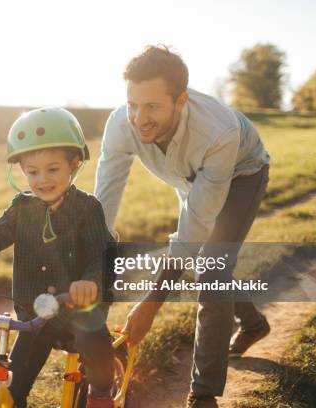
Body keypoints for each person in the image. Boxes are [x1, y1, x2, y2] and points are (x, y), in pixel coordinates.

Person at [94, 45, 271, 408]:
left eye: (152, 106)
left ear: (181, 100)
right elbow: (104, 202)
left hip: (241, 173)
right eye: (133, 104)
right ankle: (252, 323)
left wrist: (150, 305)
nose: (139, 118)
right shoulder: (120, 124)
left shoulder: (218, 133)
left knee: (211, 268)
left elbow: (191, 235)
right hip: (191, 178)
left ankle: (203, 394)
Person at [0, 107, 116, 408]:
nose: (42, 179)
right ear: (21, 170)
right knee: (14, 381)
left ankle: (100, 395)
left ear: (74, 163)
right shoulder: (22, 209)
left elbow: (102, 253)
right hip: (36, 315)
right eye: (32, 171)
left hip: (79, 308)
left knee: (96, 344)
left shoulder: (88, 208)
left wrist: (91, 281)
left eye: (53, 169)